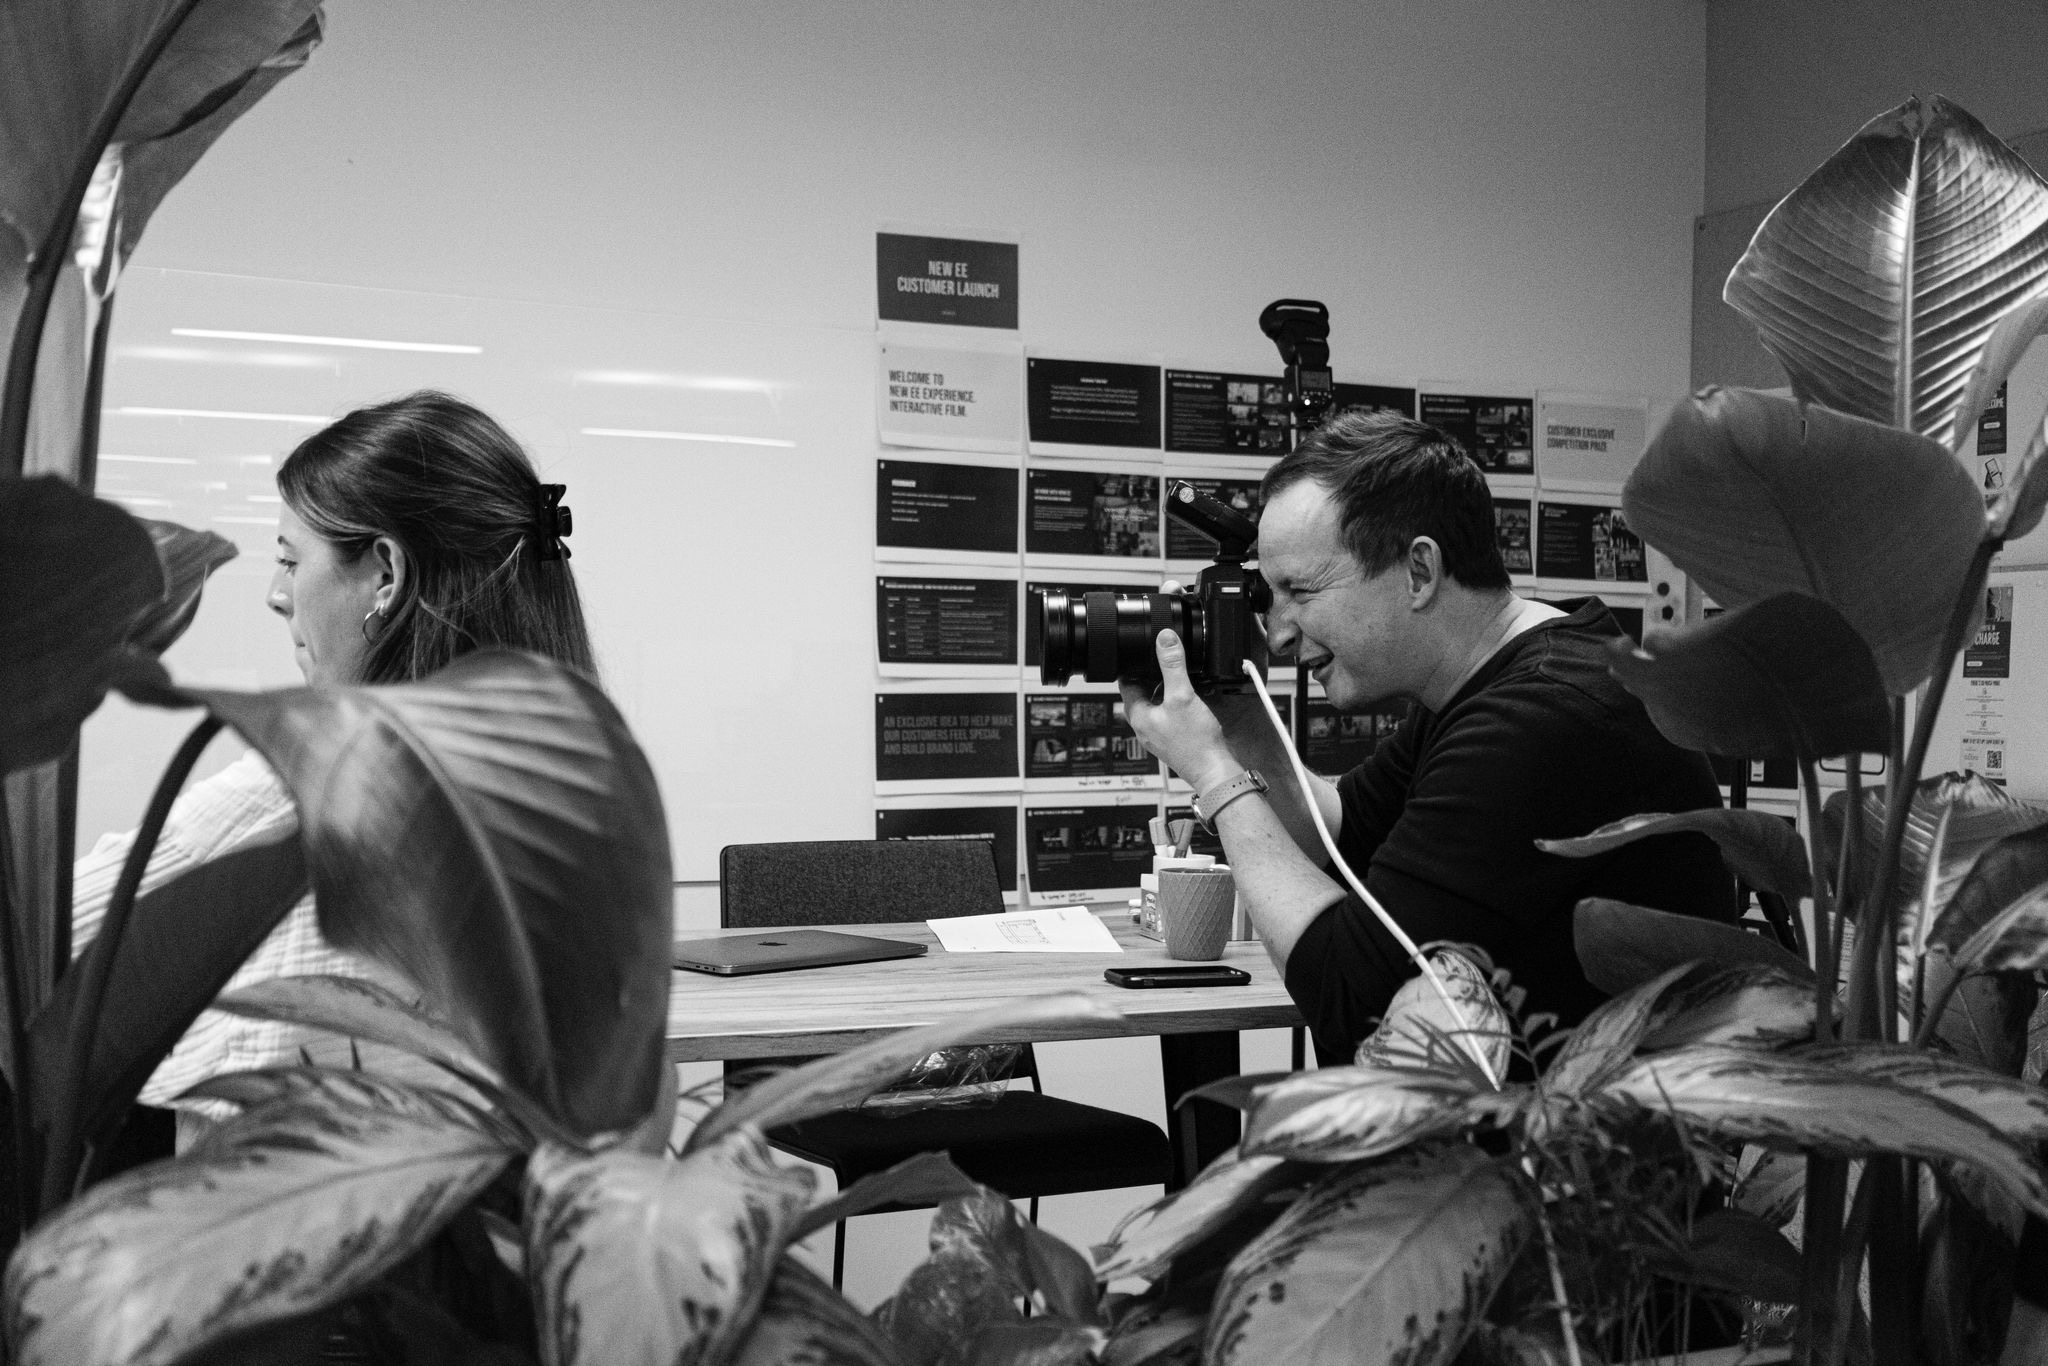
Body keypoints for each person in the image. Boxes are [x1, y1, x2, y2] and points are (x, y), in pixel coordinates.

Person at [1122, 409, 1732, 1063]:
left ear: (1419, 572)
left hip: (1594, 1153)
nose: (1277, 632)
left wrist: (1215, 775)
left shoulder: (1538, 721)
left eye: (1300, 590)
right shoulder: (1503, 678)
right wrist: (1241, 724)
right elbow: (1343, 835)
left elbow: (1351, 997)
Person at [73, 389, 592, 1137]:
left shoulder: (320, 778)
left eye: (291, 560)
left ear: (386, 573)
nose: (276, 594)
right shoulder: (567, 786)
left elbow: (56, 933)